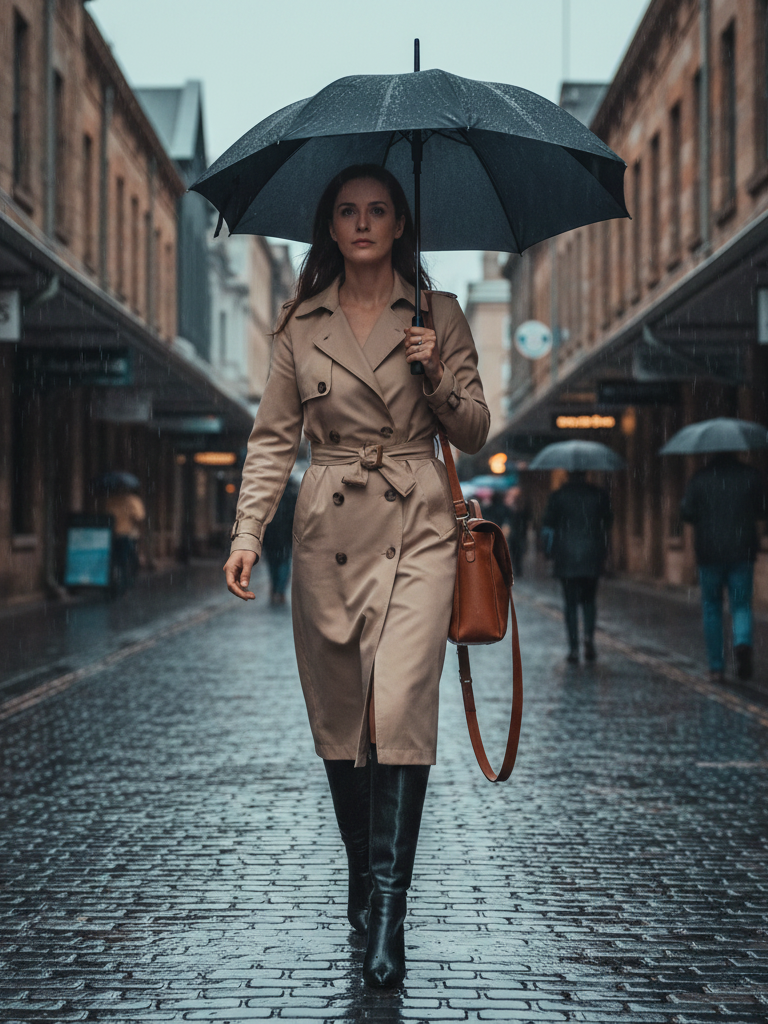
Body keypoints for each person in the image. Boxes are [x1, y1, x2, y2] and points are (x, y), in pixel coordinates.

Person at [222, 164, 489, 988]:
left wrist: (433, 372)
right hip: (328, 523)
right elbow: (273, 439)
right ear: (329, 227)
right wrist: (246, 529)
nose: (363, 222)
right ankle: (360, 871)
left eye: (378, 209)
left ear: (401, 221)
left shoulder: (438, 315)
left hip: (418, 526)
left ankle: (389, 911)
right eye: (348, 211)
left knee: (400, 705)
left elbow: (477, 430)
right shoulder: (299, 323)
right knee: (344, 724)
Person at [680, 452, 767, 682]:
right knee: (741, 605)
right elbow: (762, 509)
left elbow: (686, 513)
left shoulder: (699, 479)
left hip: (709, 553)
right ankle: (742, 642)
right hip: (742, 551)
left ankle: (717, 667)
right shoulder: (751, 476)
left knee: (711, 607)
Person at [542, 470, 613, 664]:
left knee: (570, 604)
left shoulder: (558, 496)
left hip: (566, 556)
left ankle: (573, 648)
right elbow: (608, 521)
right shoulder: (598, 495)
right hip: (592, 554)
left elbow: (547, 524)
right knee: (589, 600)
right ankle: (589, 637)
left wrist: (549, 552)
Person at [261, 476, 299, 605]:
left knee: (273, 564)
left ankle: (275, 587)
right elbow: (295, 519)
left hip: (271, 538)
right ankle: (280, 590)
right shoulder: (292, 496)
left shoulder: (268, 496)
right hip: (284, 538)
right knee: (283, 564)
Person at [104, 483, 146, 593]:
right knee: (128, 560)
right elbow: (139, 518)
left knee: (116, 560)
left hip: (113, 535)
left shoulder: (111, 500)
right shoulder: (133, 500)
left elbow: (106, 515)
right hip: (127, 535)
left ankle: (117, 582)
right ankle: (125, 583)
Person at [505, 485, 530, 579]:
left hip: (519, 532)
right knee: (515, 551)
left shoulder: (522, 505)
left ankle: (517, 569)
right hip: (516, 532)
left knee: (518, 551)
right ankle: (516, 568)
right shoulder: (512, 506)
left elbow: (525, 517)